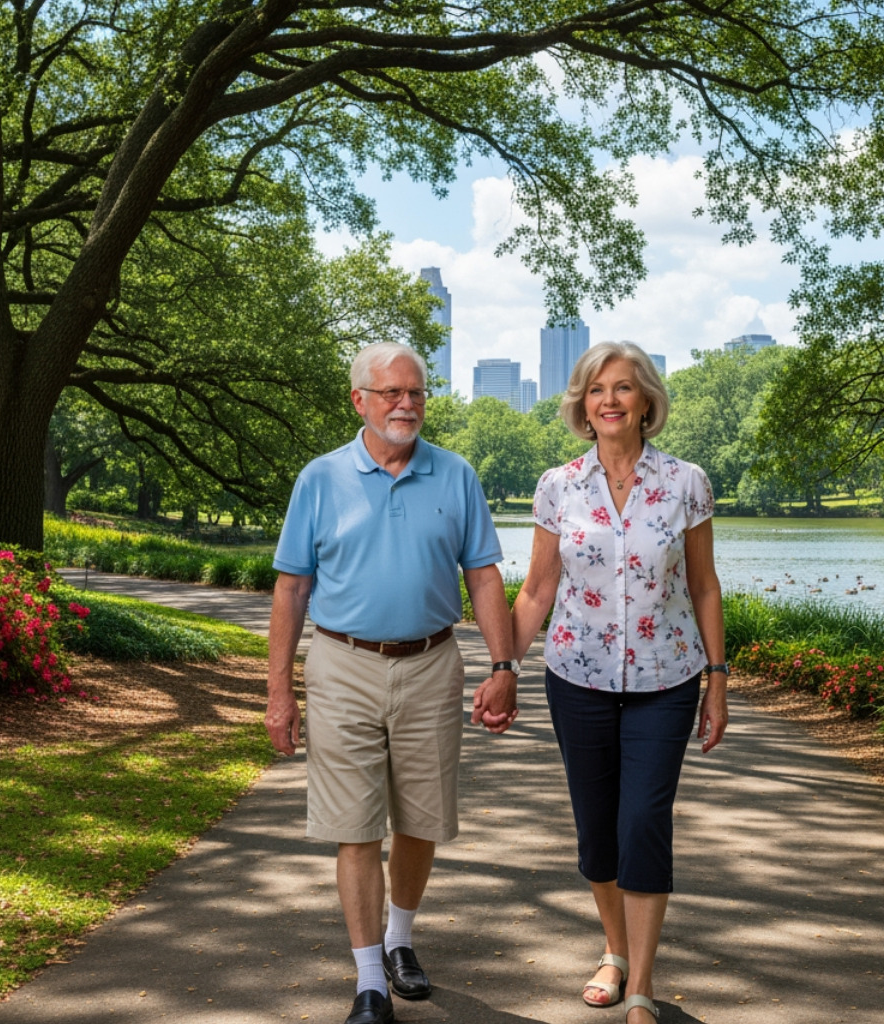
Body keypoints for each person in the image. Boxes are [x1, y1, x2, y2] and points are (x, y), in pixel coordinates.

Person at [266, 342, 519, 1024]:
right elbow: (291, 588)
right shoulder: (319, 479)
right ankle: (370, 981)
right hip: (342, 664)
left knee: (420, 819)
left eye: (416, 393)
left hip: (432, 663)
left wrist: (504, 667)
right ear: (360, 401)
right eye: (392, 394)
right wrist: (280, 691)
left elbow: (484, 576)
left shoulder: (456, 474)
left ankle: (400, 939)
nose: (407, 404)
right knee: (355, 828)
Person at [511, 341, 728, 1023]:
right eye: (597, 389)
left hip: (667, 679)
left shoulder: (687, 482)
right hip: (577, 678)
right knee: (596, 830)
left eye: (624, 388)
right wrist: (500, 668)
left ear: (646, 403)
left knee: (643, 822)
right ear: (582, 404)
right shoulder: (558, 486)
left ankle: (643, 985)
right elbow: (538, 588)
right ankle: (614, 949)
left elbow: (703, 585)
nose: (609, 399)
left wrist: (718, 681)